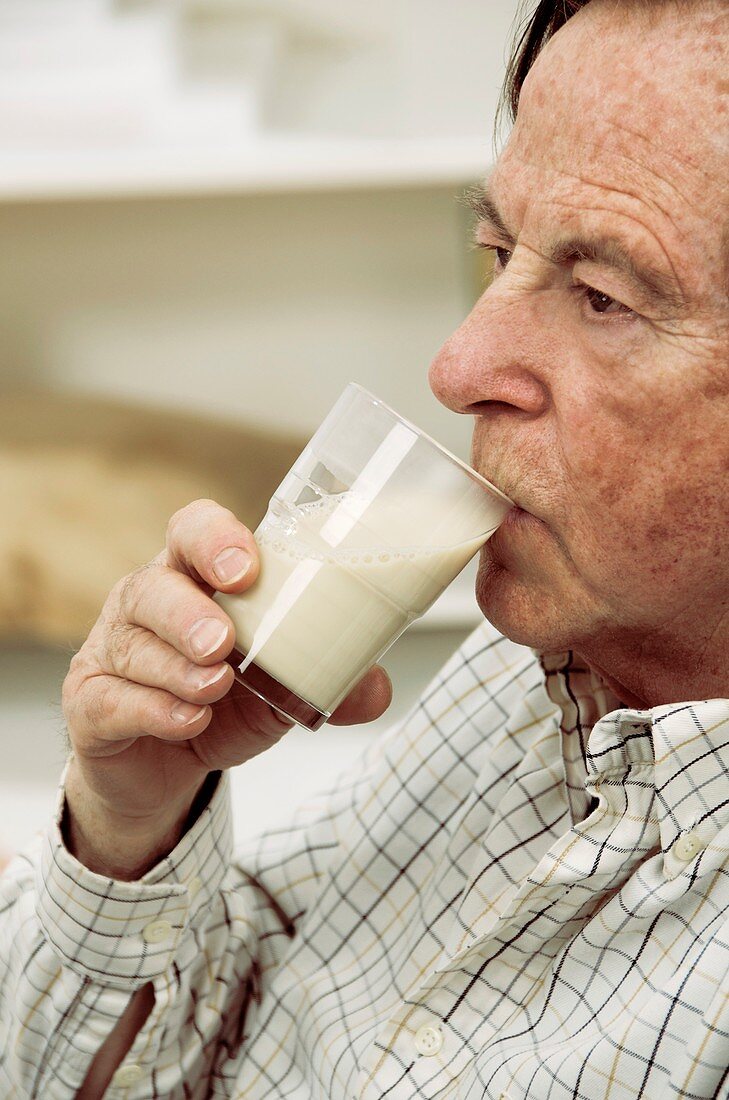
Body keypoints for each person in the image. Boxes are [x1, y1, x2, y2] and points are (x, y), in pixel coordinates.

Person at [2, 0, 727, 1096]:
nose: (457, 360)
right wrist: (129, 820)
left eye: (602, 296)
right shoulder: (529, 665)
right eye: (496, 250)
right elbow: (173, 1056)